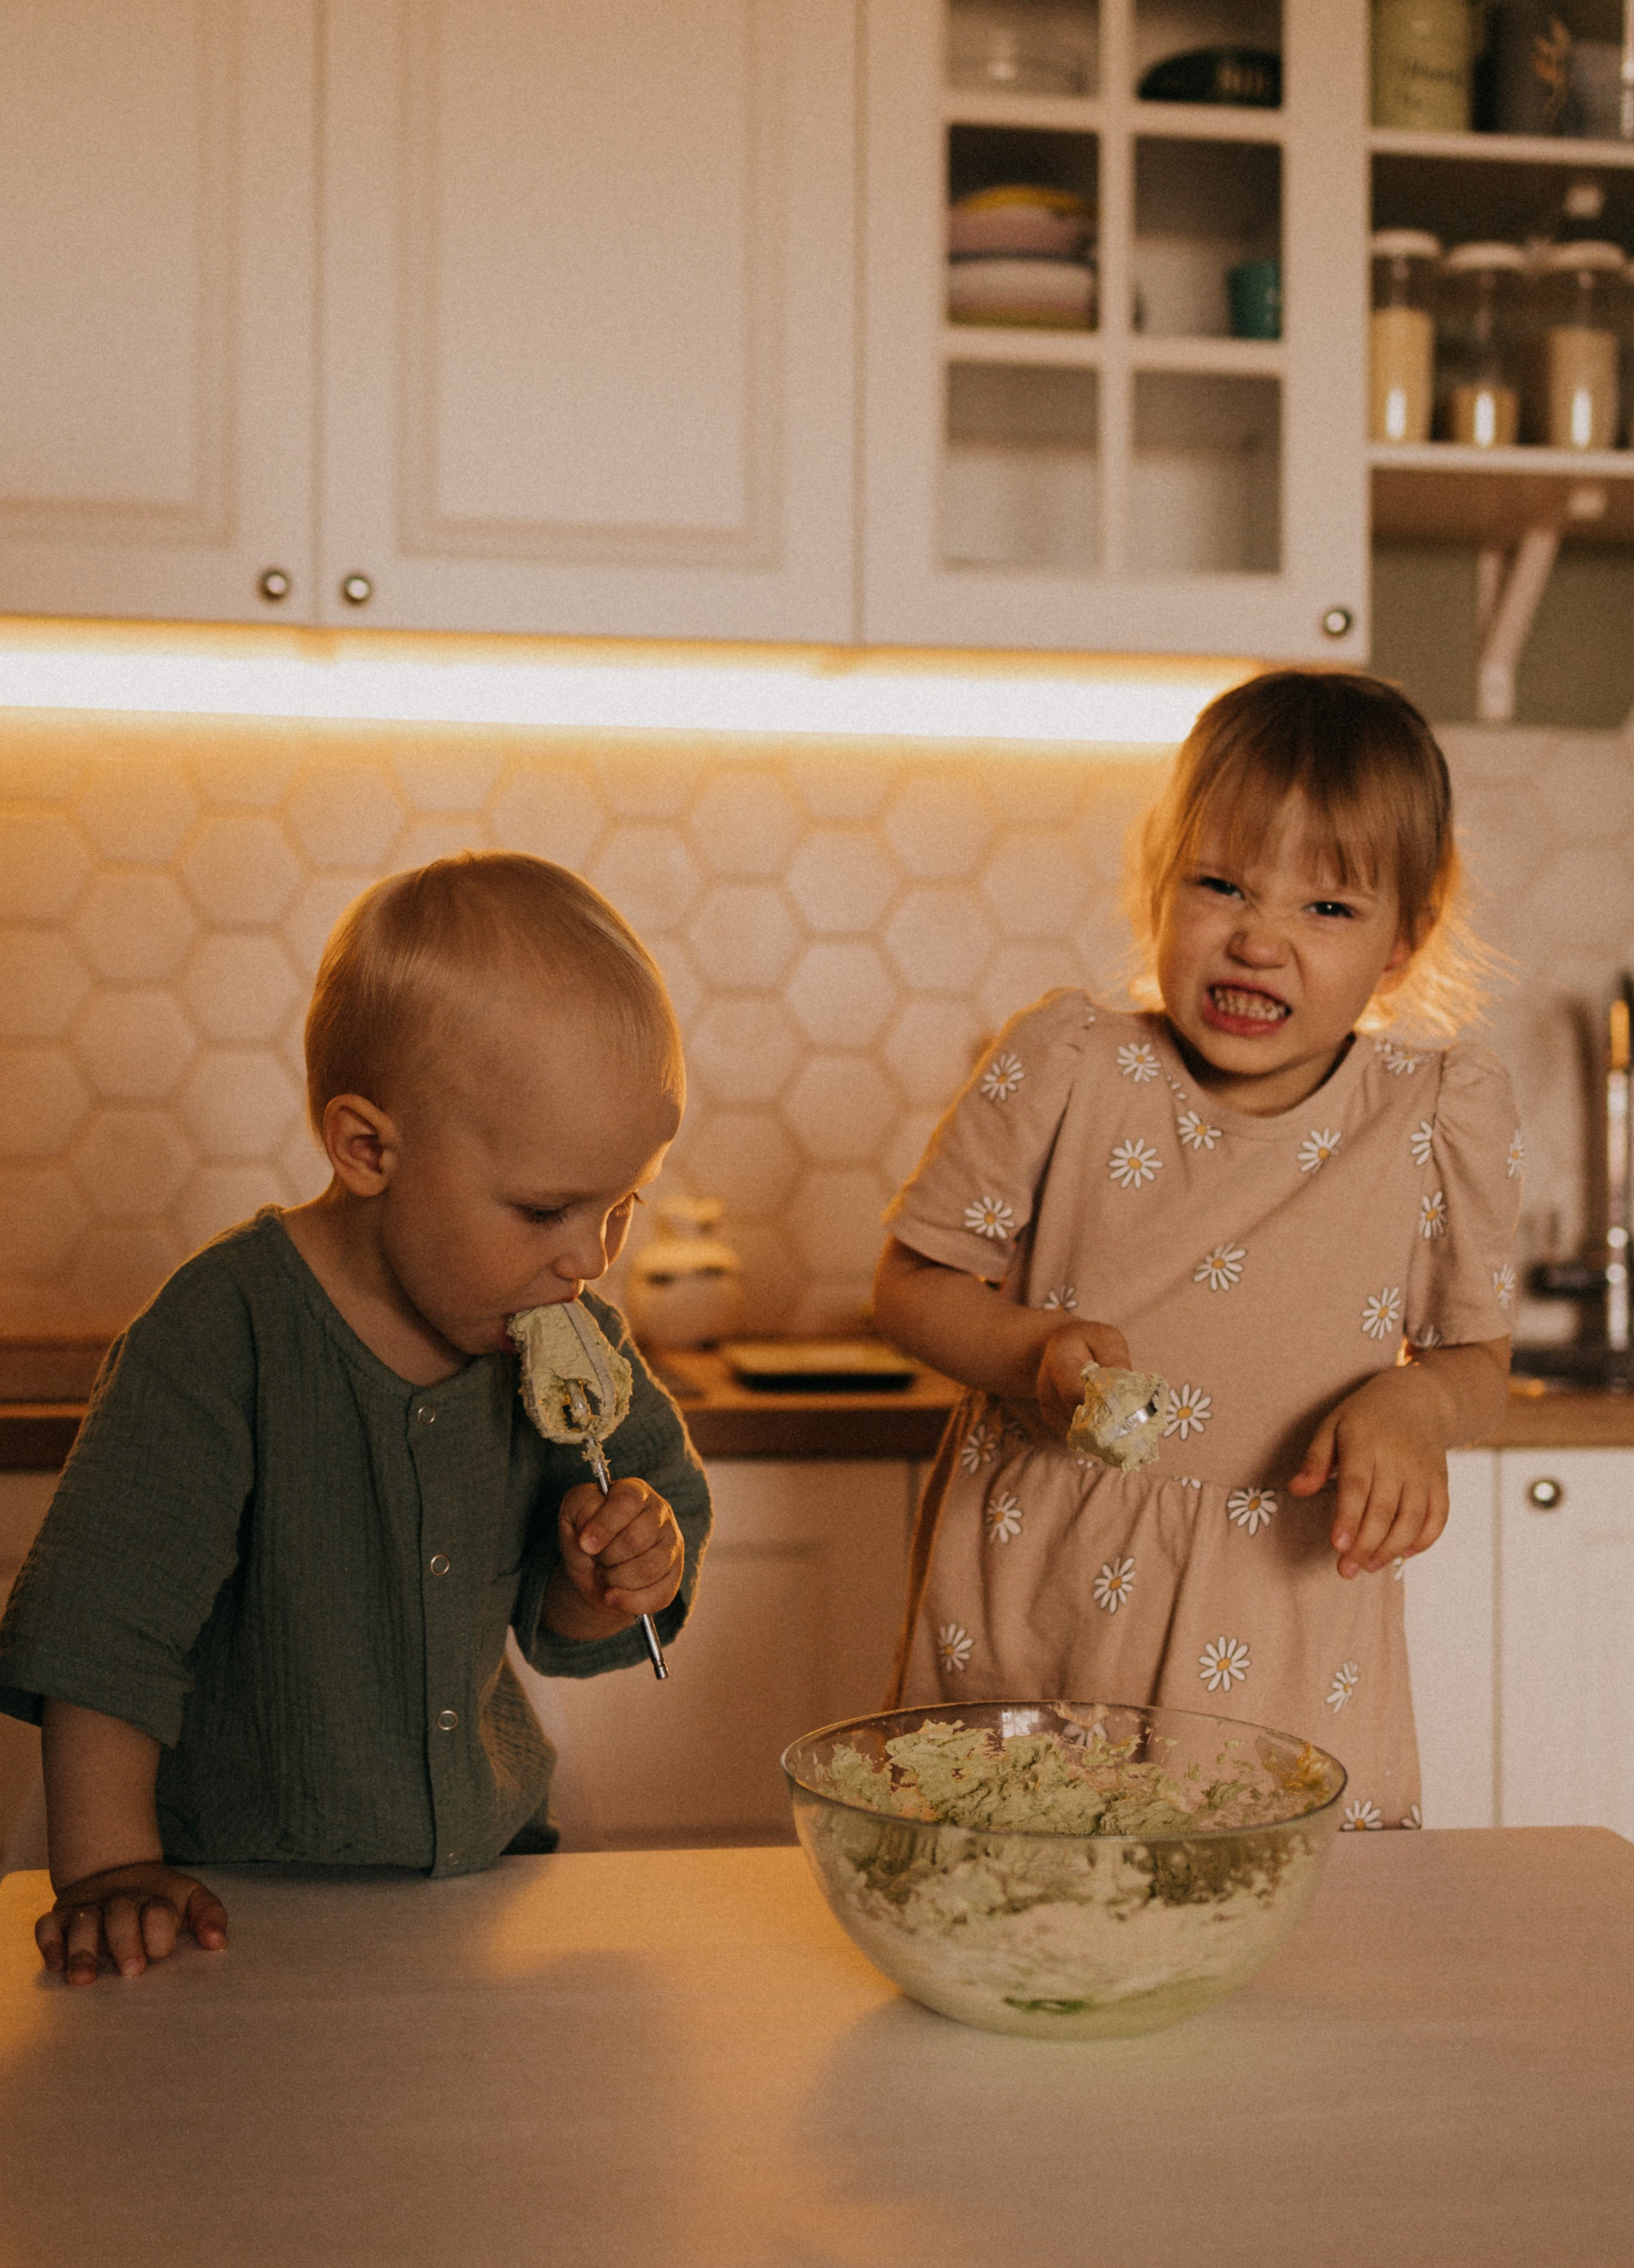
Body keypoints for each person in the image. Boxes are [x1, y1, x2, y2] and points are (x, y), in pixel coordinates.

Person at [0, 852, 711, 1983]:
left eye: (619, 1207)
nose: (589, 1258)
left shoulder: (567, 1331)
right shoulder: (219, 1333)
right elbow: (104, 1630)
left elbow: (582, 1623)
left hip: (483, 1888)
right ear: (368, 1148)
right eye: (545, 1209)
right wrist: (107, 1872)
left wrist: (611, 1576)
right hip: (228, 1901)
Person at [873, 670, 1520, 1830]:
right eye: (1220, 885)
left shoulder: (1430, 1116)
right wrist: (1035, 1352)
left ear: (1402, 943)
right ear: (1158, 888)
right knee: (1022, 1888)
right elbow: (912, 1285)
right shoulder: (1068, 1065)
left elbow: (1479, 1359)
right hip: (1049, 1609)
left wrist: (1418, 1408)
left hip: (1283, 1632)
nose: (1259, 940)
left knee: (1284, 1935)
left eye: (1327, 909)